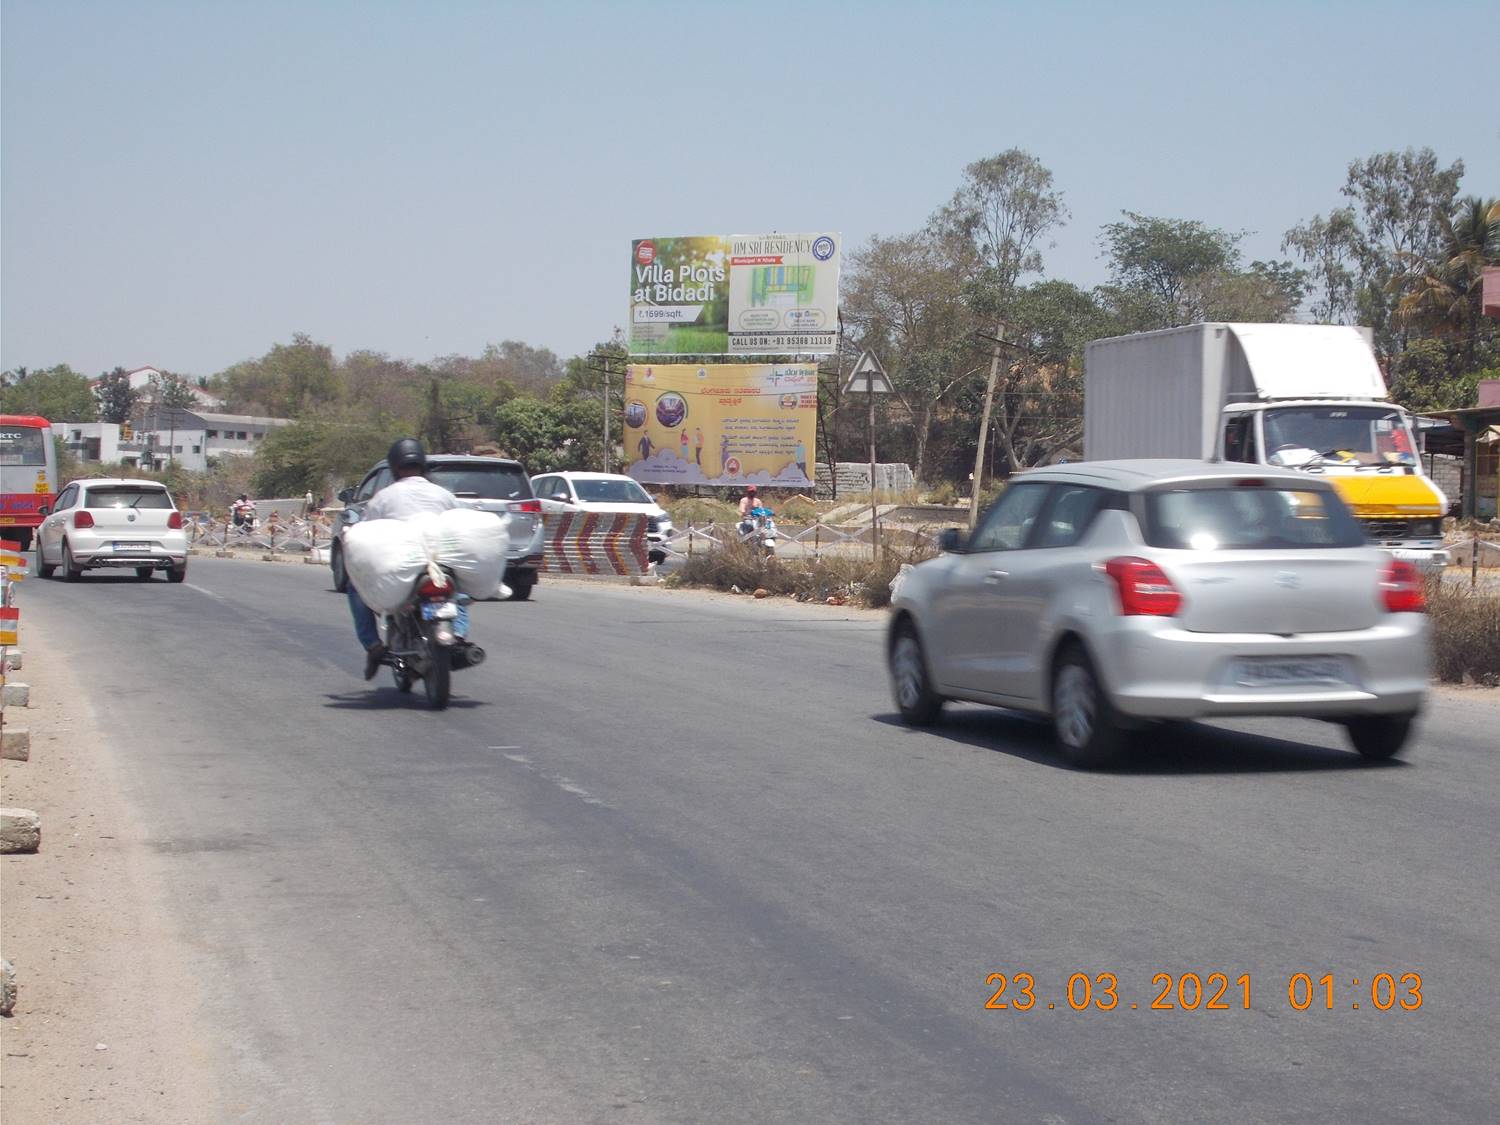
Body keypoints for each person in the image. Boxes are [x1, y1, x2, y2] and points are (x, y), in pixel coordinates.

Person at [348, 437, 460, 680]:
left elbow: (368, 534)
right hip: (439, 563)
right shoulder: (444, 495)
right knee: (459, 586)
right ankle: (459, 634)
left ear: (394, 466)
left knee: (354, 586)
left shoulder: (383, 497)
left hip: (401, 567)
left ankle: (373, 647)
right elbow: (458, 528)